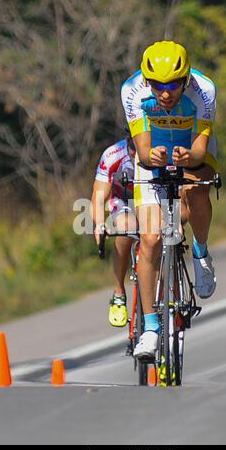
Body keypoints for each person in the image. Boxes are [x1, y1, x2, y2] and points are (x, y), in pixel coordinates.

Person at [121, 40, 218, 359]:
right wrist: (153, 156)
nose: (165, 93)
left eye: (174, 84)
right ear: (147, 81)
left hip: (191, 148)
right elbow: (144, 150)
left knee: (197, 188)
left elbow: (201, 150)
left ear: (187, 78)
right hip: (154, 152)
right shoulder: (132, 90)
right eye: (159, 85)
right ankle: (150, 328)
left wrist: (189, 157)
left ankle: (201, 255)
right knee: (149, 239)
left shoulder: (204, 90)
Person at [91, 128, 137, 328]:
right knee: (127, 228)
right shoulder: (113, 155)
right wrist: (100, 224)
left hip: (155, 199)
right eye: (135, 150)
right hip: (124, 201)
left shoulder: (162, 149)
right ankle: (119, 292)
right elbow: (99, 196)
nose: (138, 156)